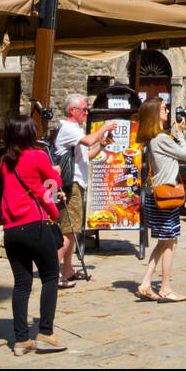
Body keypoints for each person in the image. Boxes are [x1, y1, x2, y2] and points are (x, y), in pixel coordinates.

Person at [0, 114, 67, 355]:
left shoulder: (4, 161)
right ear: (30, 134)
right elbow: (53, 183)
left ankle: (20, 340)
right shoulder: (38, 156)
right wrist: (55, 172)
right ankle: (46, 333)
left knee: (21, 284)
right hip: (35, 226)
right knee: (50, 278)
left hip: (11, 230)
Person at [52, 94, 117, 287]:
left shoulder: (75, 130)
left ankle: (68, 269)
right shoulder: (68, 128)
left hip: (77, 183)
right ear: (72, 111)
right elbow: (88, 142)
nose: (86, 113)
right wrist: (104, 127)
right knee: (67, 230)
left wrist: (102, 145)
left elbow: (87, 155)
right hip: (69, 184)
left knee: (73, 230)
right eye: (84, 109)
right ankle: (54, 273)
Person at [135, 98, 186, 302]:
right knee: (169, 243)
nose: (167, 111)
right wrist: (179, 134)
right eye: (162, 109)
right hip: (165, 194)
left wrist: (173, 133)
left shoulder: (154, 138)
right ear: (154, 114)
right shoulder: (160, 138)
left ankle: (146, 282)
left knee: (166, 241)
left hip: (157, 194)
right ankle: (166, 287)